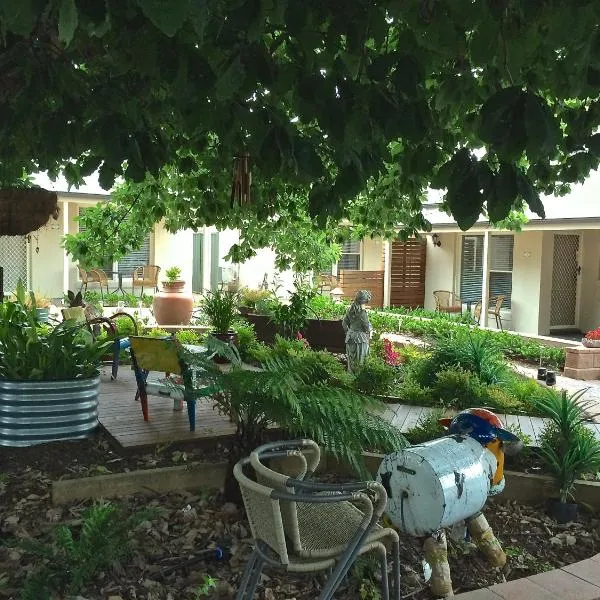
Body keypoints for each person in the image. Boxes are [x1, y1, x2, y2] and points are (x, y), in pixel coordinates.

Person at [342, 289, 372, 372]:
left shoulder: (350, 310)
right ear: (364, 301)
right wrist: (370, 329)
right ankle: (358, 380)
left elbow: (344, 323)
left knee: (351, 363)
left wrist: (348, 332)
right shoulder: (362, 313)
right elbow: (366, 328)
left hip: (350, 337)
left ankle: (350, 378)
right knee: (360, 362)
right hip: (360, 339)